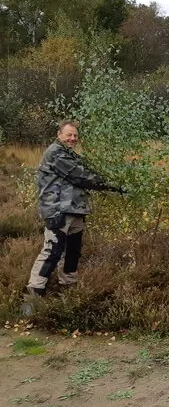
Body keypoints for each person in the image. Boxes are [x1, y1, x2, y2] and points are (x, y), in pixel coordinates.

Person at [23, 121, 122, 315]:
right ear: (59, 135)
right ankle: (34, 293)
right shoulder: (56, 153)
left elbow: (88, 170)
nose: (72, 138)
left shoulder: (71, 154)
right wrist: (114, 185)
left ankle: (68, 287)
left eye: (75, 135)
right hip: (57, 210)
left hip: (76, 210)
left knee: (73, 251)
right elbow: (81, 176)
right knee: (53, 250)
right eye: (69, 135)